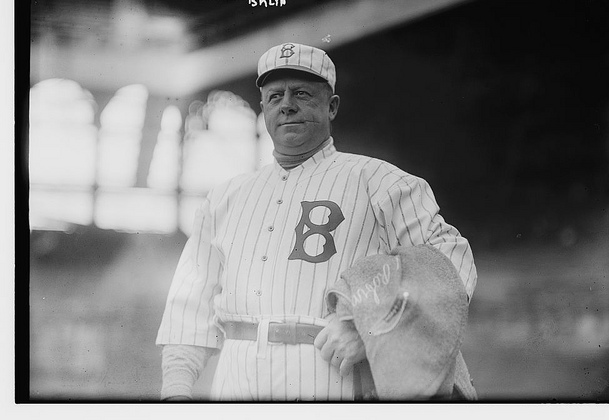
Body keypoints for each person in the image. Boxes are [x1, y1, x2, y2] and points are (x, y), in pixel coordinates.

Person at [156, 42, 477, 401]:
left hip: (330, 376)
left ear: (332, 106)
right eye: (275, 96)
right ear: (263, 108)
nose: (287, 104)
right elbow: (189, 308)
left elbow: (452, 265)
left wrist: (371, 328)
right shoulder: (225, 197)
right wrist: (176, 391)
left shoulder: (381, 182)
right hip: (236, 377)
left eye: (302, 93)